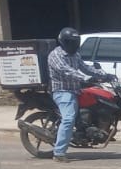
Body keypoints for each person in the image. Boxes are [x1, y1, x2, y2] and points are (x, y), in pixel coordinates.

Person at [46, 28, 109, 162]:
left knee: (98, 103)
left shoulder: (75, 55)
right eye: (70, 42)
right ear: (63, 42)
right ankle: (59, 153)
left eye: (75, 42)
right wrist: (86, 78)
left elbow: (85, 67)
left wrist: (104, 75)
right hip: (62, 91)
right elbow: (66, 70)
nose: (73, 44)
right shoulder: (56, 55)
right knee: (68, 119)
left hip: (76, 90)